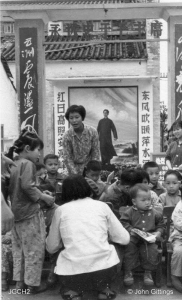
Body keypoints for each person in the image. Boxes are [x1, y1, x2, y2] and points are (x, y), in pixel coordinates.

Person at [46, 175, 130, 300]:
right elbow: (124, 239)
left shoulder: (61, 210)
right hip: (105, 271)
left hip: (72, 274)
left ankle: (73, 291)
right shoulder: (102, 206)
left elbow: (51, 247)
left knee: (58, 246)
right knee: (118, 244)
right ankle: (104, 289)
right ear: (87, 188)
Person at [8, 129, 55, 294]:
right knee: (34, 249)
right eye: (38, 150)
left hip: (14, 214)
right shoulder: (28, 164)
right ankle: (33, 285)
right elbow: (28, 186)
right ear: (27, 148)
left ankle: (20, 283)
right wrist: (44, 197)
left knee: (19, 250)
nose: (39, 154)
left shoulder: (12, 164)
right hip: (29, 213)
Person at [120, 184, 165, 286]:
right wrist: (130, 230)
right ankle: (128, 271)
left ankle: (148, 272)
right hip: (134, 237)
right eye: (143, 200)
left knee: (152, 249)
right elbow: (123, 222)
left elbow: (161, 224)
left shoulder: (154, 212)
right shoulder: (129, 212)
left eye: (149, 199)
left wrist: (158, 232)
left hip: (149, 238)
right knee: (129, 247)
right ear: (134, 202)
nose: (147, 202)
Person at [63, 105, 100, 176]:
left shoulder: (92, 131)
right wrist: (76, 175)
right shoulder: (67, 135)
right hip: (73, 170)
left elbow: (95, 153)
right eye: (71, 118)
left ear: (82, 117)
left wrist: (91, 172)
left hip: (90, 170)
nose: (74, 120)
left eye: (77, 117)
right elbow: (67, 157)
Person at [169, 199, 182, 293]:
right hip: (179, 236)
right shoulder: (180, 206)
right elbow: (178, 223)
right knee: (179, 251)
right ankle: (175, 276)